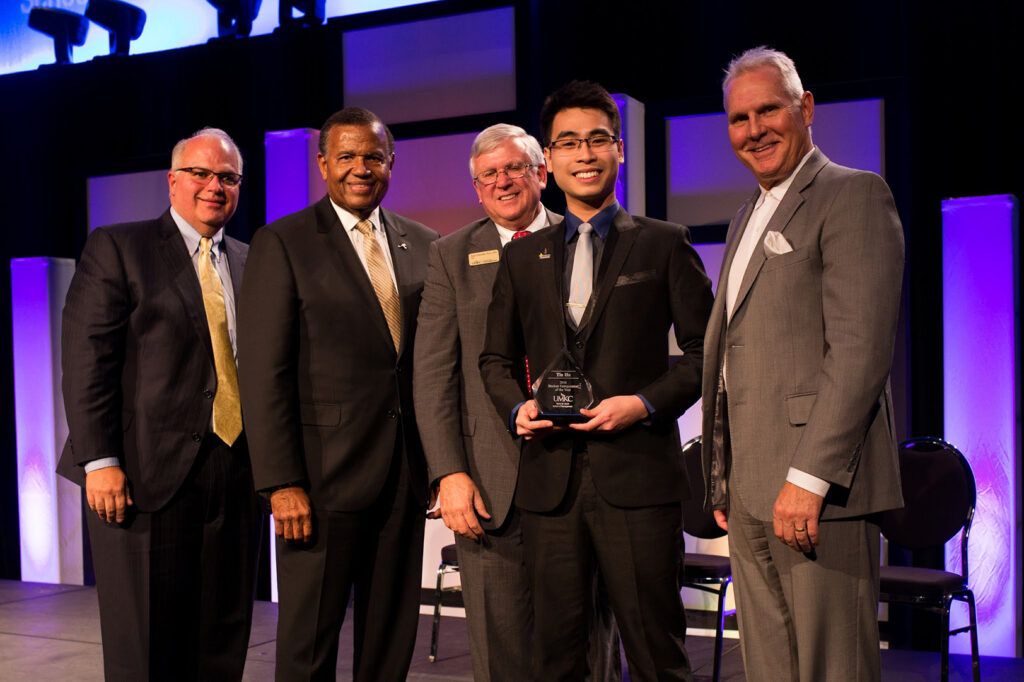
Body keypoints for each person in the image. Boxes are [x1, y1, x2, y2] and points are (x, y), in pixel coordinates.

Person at [479, 81, 713, 682]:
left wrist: (641, 403)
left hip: (638, 477)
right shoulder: (522, 256)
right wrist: (515, 411)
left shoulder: (664, 243)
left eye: (597, 140)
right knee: (557, 657)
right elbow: (494, 363)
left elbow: (705, 355)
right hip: (550, 485)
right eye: (569, 143)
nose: (584, 154)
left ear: (619, 150)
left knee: (656, 652)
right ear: (548, 160)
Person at [701, 46, 905, 681]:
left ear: (806, 108)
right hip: (753, 489)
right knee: (771, 670)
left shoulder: (853, 194)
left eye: (769, 110)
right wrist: (725, 474)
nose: (755, 130)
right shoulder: (743, 218)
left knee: (832, 668)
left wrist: (810, 478)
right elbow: (739, 355)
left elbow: (860, 352)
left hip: (818, 491)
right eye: (740, 118)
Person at [237, 106, 439, 681]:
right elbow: (262, 371)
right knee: (309, 646)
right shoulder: (283, 242)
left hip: (402, 477)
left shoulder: (425, 244)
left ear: (391, 164)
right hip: (318, 484)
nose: (360, 168)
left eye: (372, 157)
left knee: (389, 639)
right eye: (346, 157)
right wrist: (280, 482)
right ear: (323, 164)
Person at [414, 123, 620, 682]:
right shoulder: (451, 256)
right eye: (489, 176)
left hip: (584, 480)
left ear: (541, 172)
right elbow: (433, 377)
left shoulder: (590, 238)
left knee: (588, 644)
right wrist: (449, 475)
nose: (502, 182)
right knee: (502, 654)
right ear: (476, 189)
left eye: (514, 168)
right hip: (489, 486)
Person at [57, 127, 263, 681]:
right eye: (200, 173)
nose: (214, 186)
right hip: (140, 476)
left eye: (228, 177)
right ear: (172, 181)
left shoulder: (251, 259)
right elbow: (86, 362)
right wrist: (100, 462)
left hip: (235, 471)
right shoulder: (119, 247)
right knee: (146, 648)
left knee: (221, 638)